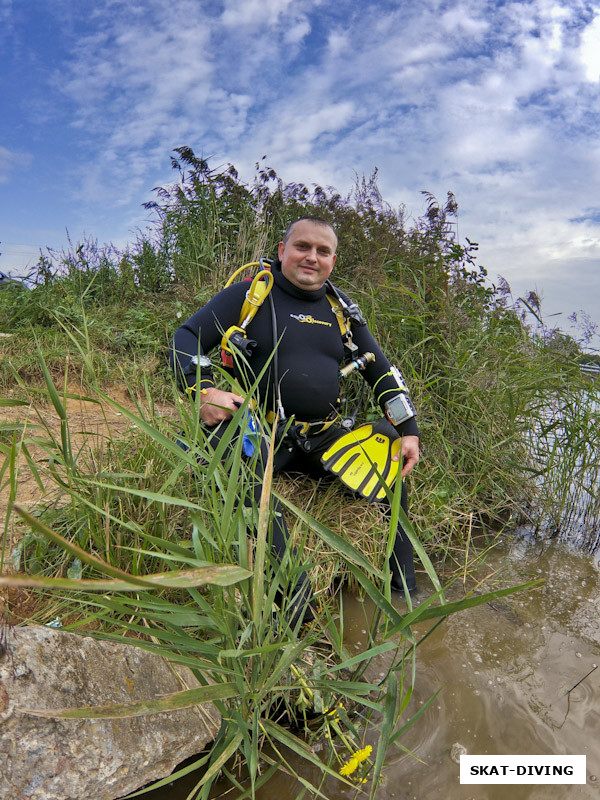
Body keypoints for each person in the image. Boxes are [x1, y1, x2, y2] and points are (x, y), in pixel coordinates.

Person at [171, 217, 420, 622]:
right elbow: (186, 338)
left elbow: (383, 372)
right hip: (260, 433)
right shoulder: (248, 295)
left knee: (390, 444)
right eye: (303, 246)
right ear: (283, 250)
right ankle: (294, 600)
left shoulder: (341, 312)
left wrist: (408, 432)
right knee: (234, 438)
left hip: (321, 439)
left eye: (323, 251)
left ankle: (405, 589)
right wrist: (203, 391)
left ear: (333, 261)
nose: (312, 257)